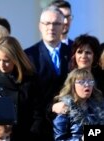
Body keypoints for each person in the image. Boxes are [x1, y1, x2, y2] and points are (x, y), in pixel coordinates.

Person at [24, 6, 71, 141]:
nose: (51, 27)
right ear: (40, 26)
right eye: (47, 23)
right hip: (40, 127)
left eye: (56, 23)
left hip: (71, 124)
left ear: (63, 27)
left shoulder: (74, 53)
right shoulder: (28, 56)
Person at [0, 36, 40, 141]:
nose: (2, 64)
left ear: (16, 59)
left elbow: (37, 113)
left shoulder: (30, 80)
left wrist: (33, 134)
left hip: (25, 135)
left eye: (6, 60)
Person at [52, 34, 104, 114]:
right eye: (79, 52)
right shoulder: (64, 79)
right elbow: (49, 106)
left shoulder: (101, 81)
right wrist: (54, 107)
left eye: (88, 52)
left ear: (95, 56)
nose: (83, 56)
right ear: (74, 55)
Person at [53, 68, 104, 141]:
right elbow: (59, 139)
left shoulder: (99, 107)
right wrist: (81, 139)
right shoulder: (64, 109)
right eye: (82, 82)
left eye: (90, 81)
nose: (87, 84)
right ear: (73, 85)